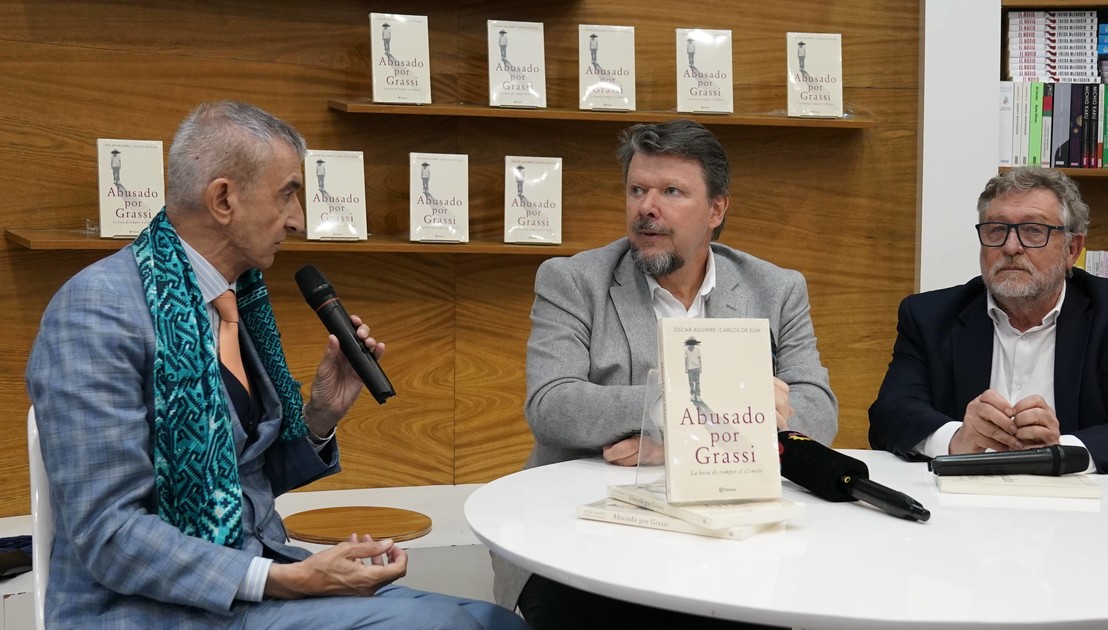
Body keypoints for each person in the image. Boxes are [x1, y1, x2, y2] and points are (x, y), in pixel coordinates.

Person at [26, 101, 527, 629]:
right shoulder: (96, 310)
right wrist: (290, 579)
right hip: (152, 611)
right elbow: (109, 535)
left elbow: (239, 482)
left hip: (256, 586)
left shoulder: (234, 301)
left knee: (494, 621)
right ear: (224, 199)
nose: (298, 218)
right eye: (288, 193)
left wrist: (321, 415)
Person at [493, 119, 838, 628]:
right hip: (586, 535)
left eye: (671, 192)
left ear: (716, 209)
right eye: (637, 190)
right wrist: (692, 411)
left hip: (727, 533)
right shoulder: (573, 280)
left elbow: (818, 414)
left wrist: (675, 443)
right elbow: (553, 406)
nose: (646, 208)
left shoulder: (775, 289)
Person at [868, 166, 1108, 481]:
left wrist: (1060, 453)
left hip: (1082, 501)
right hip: (964, 500)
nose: (1011, 247)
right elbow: (890, 414)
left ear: (1071, 249)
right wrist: (957, 439)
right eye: (996, 230)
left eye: (1033, 230)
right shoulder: (929, 316)